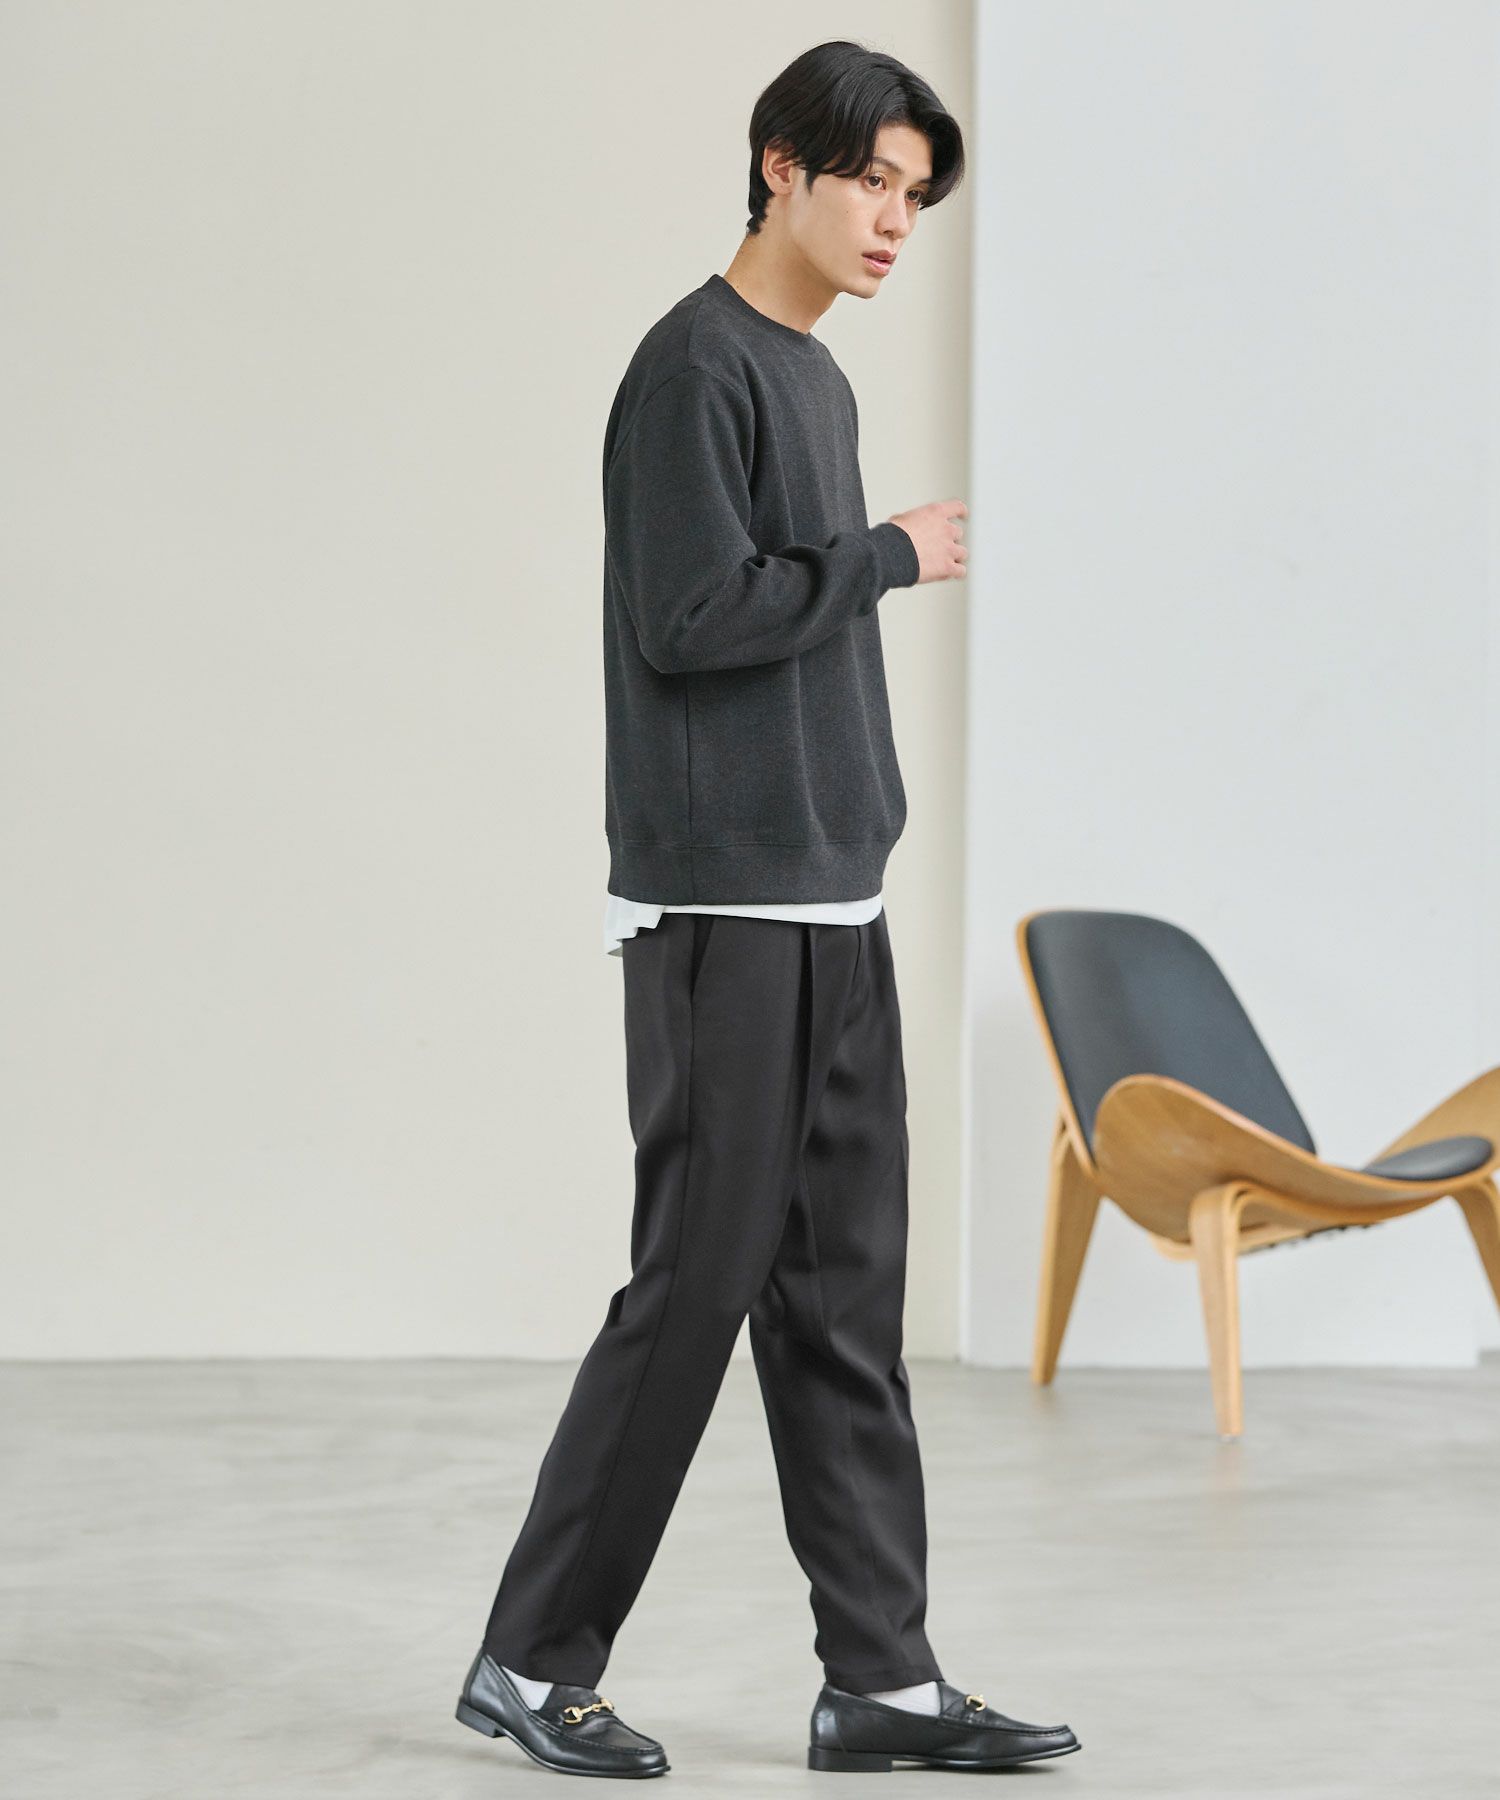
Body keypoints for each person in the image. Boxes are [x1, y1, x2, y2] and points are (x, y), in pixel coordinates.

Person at [455, 39, 1081, 1779]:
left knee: (843, 1306)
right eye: (869, 179)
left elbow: (773, 620)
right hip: (722, 906)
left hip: (831, 898)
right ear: (778, 166)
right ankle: (529, 1659)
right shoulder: (693, 369)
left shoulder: (811, 374)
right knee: (696, 1289)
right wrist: (883, 556)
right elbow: (688, 618)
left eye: (913, 196)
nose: (893, 221)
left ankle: (881, 1680)